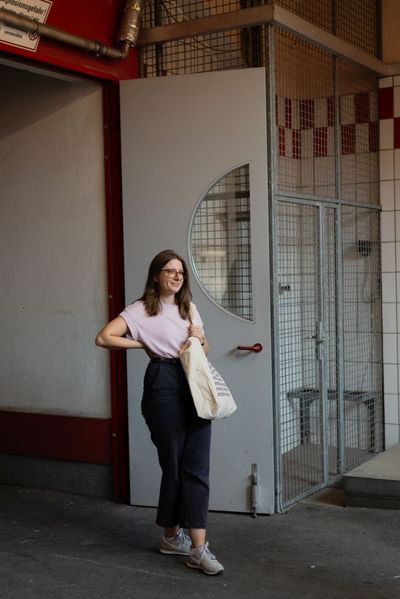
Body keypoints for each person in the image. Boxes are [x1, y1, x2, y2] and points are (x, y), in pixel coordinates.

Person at [95, 249, 224, 576]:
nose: (178, 276)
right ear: (156, 275)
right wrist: (142, 343)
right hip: (162, 380)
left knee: (197, 465)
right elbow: (104, 337)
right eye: (170, 271)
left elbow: (204, 349)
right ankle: (173, 536)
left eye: (181, 272)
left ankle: (196, 547)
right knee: (174, 465)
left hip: (193, 380)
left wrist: (200, 338)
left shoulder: (188, 307)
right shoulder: (140, 310)